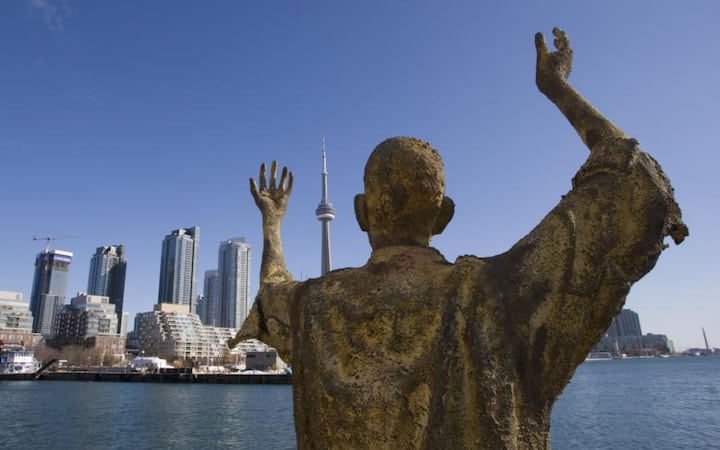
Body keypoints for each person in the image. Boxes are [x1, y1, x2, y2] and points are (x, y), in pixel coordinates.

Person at [230, 28, 687, 449]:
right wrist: (557, 89)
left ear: (360, 213)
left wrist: (273, 223)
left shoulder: (313, 307)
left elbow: (271, 288)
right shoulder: (499, 296)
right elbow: (634, 186)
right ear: (445, 215)